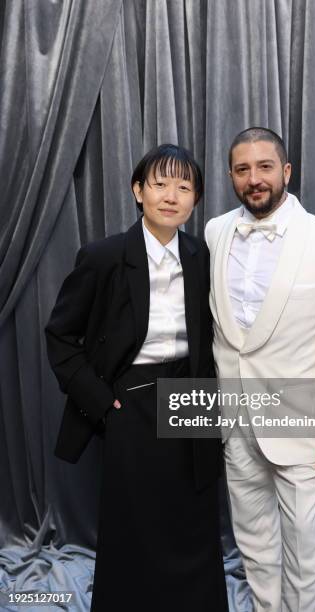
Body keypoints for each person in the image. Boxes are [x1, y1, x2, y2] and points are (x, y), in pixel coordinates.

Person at [45, 144, 229, 612]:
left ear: (196, 199)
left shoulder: (203, 256)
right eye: (160, 183)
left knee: (195, 520)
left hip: (193, 396)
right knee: (135, 524)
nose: (172, 195)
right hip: (131, 401)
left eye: (184, 186)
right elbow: (61, 337)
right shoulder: (103, 256)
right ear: (137, 191)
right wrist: (103, 402)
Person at [205, 127, 315, 611]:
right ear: (231, 175)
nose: (254, 179)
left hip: (302, 428)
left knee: (302, 550)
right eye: (242, 169)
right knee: (253, 543)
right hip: (236, 423)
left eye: (265, 167)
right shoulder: (215, 232)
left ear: (286, 172)